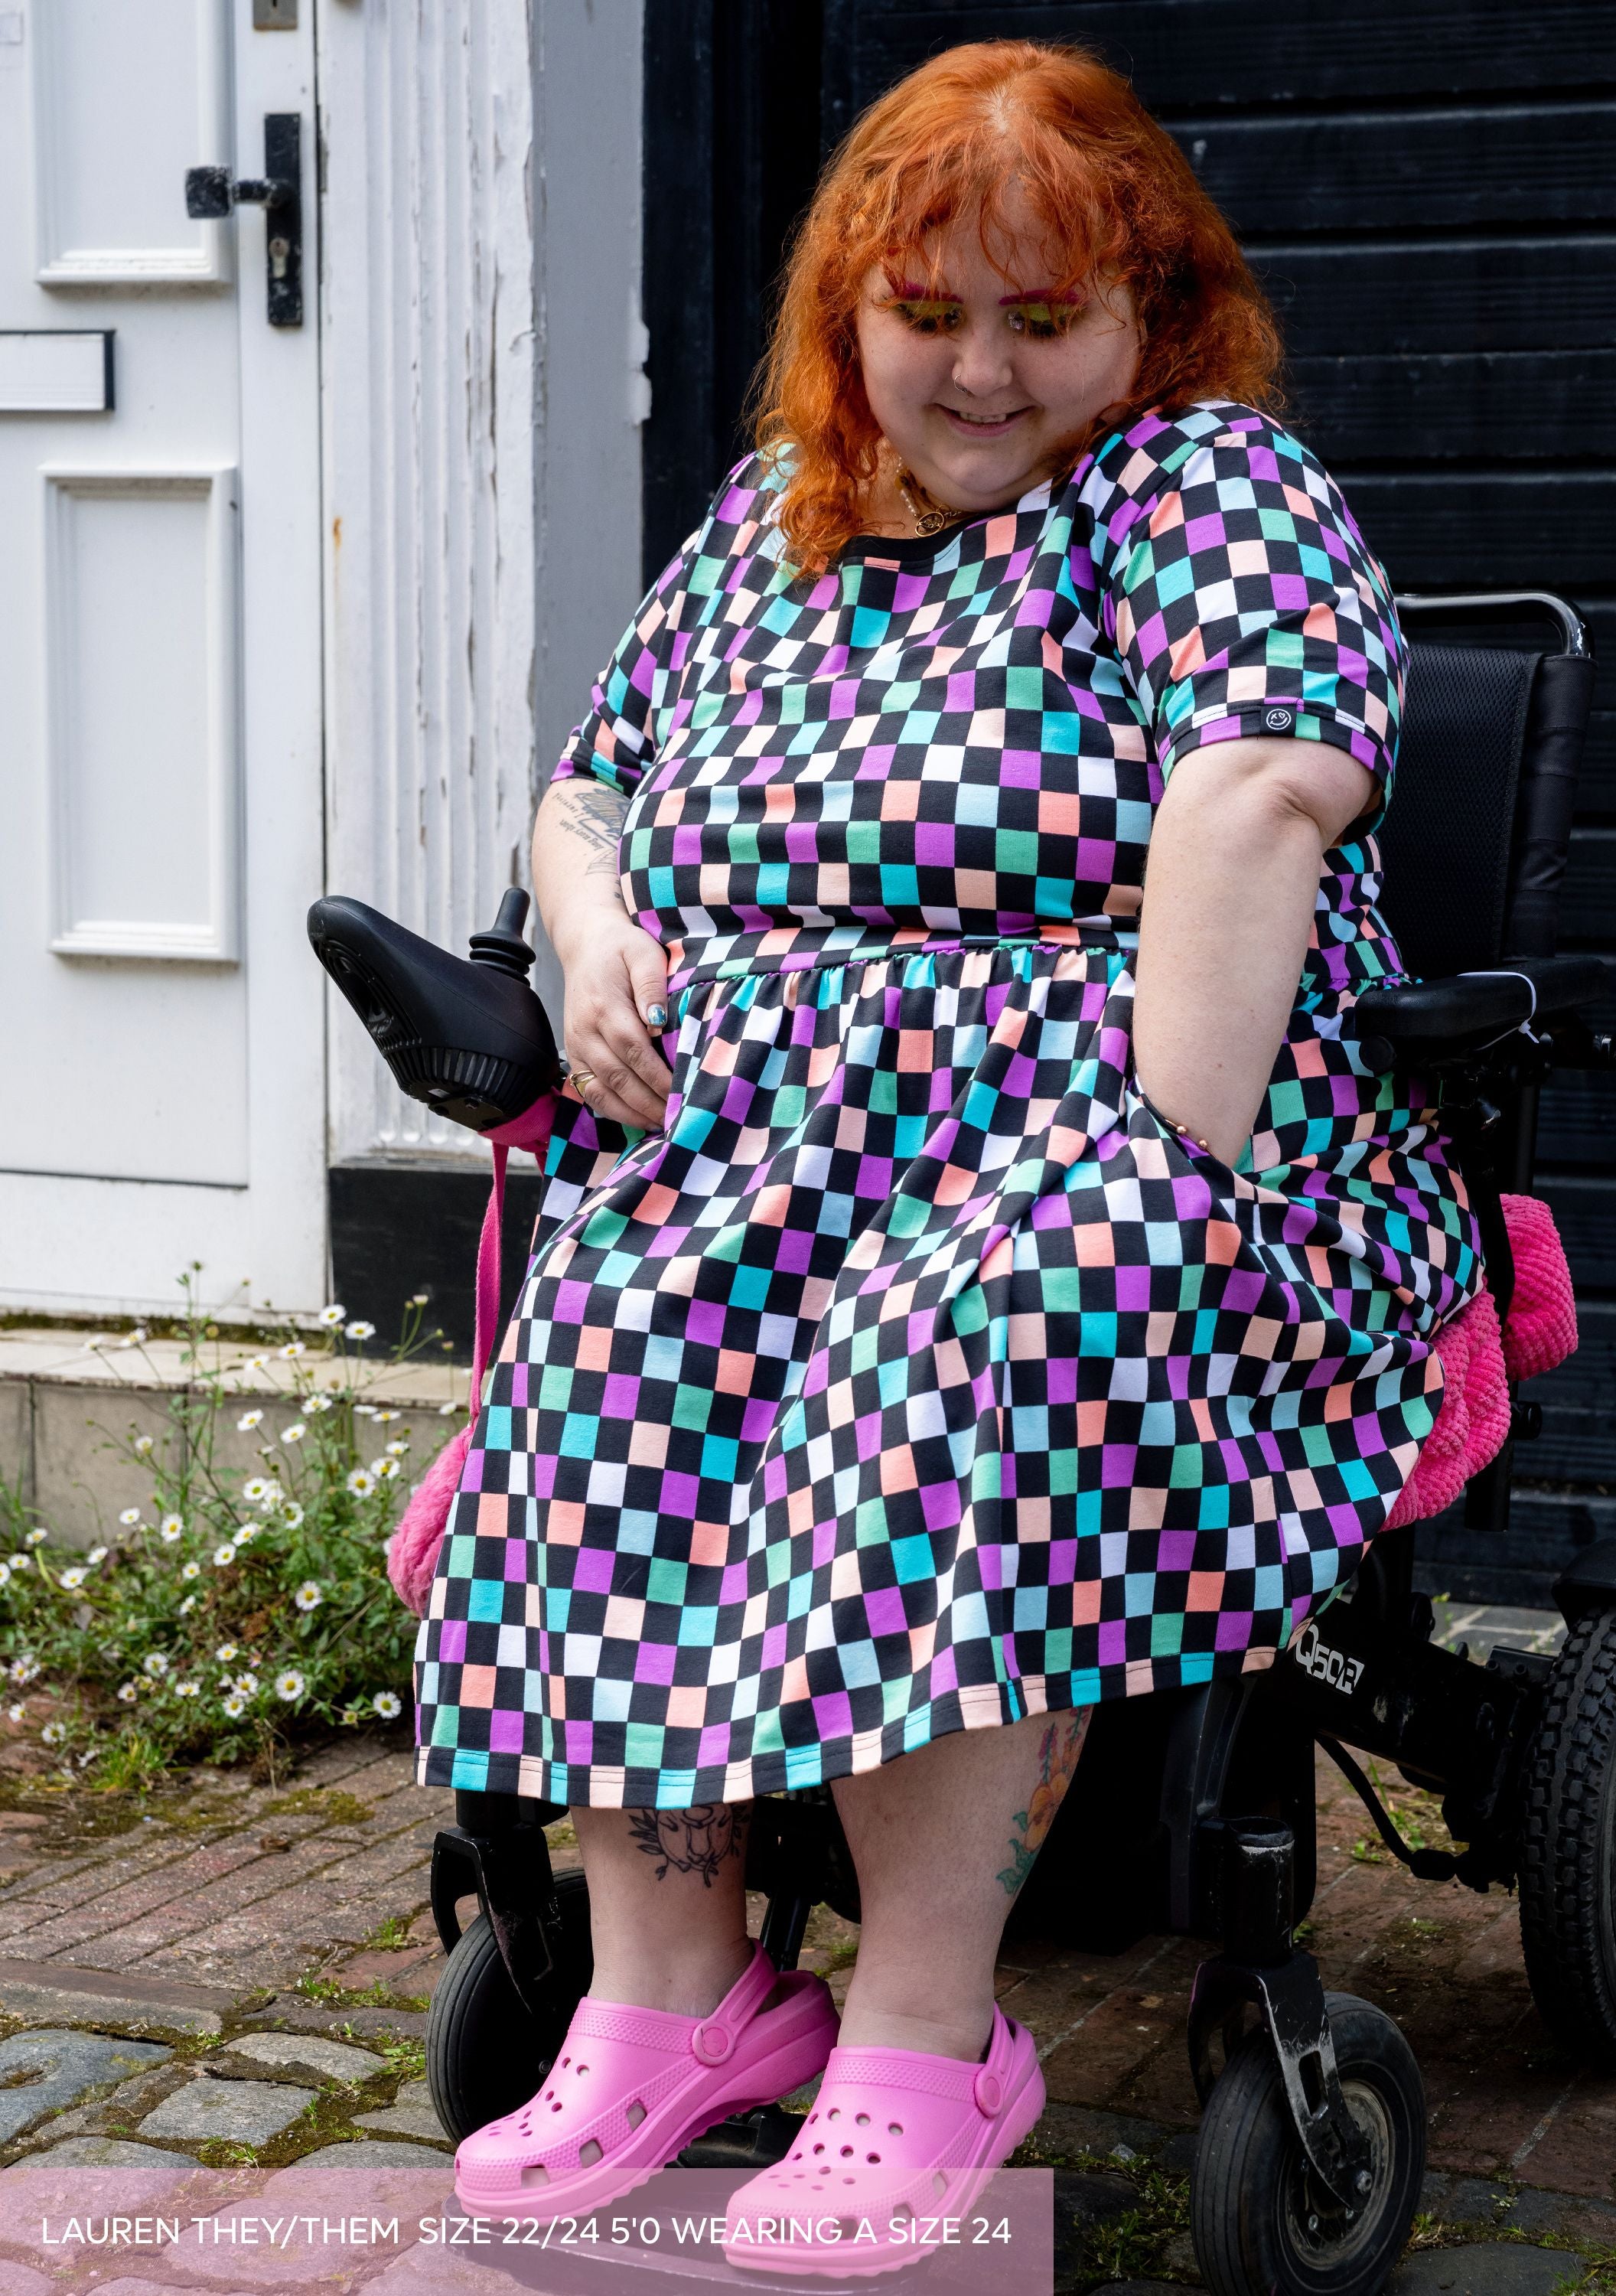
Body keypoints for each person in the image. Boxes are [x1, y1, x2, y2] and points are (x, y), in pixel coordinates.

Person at [414, 35, 1481, 2263]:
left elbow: (1265, 783)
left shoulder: (1200, 495)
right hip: (783, 1157)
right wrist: (597, 928)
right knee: (618, 1332)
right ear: (850, 319)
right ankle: (672, 1998)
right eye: (929, 315)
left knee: (953, 1349)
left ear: (1148, 317)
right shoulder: (777, 524)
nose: (982, 372)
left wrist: (1164, 1169)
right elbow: (588, 783)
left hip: (1150, 1125)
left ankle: (924, 2037)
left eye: (1045, 316)